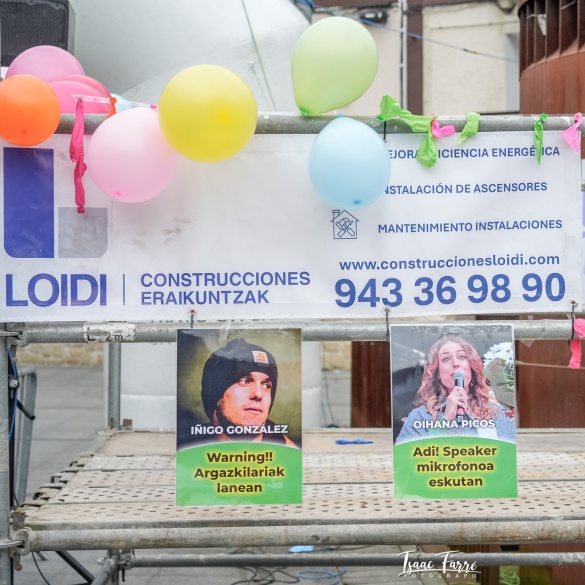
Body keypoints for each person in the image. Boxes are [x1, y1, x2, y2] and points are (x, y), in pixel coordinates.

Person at [395, 335, 516, 444]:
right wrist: (445, 420)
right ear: (438, 373)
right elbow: (407, 457)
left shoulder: (496, 413)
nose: (455, 363)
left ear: (471, 366)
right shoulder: (419, 417)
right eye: (446, 359)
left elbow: (509, 455)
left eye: (462, 357)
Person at [197, 338, 298, 447]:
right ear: (215, 393)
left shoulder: (288, 451)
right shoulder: (189, 448)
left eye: (266, 385)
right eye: (245, 381)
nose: (258, 394)